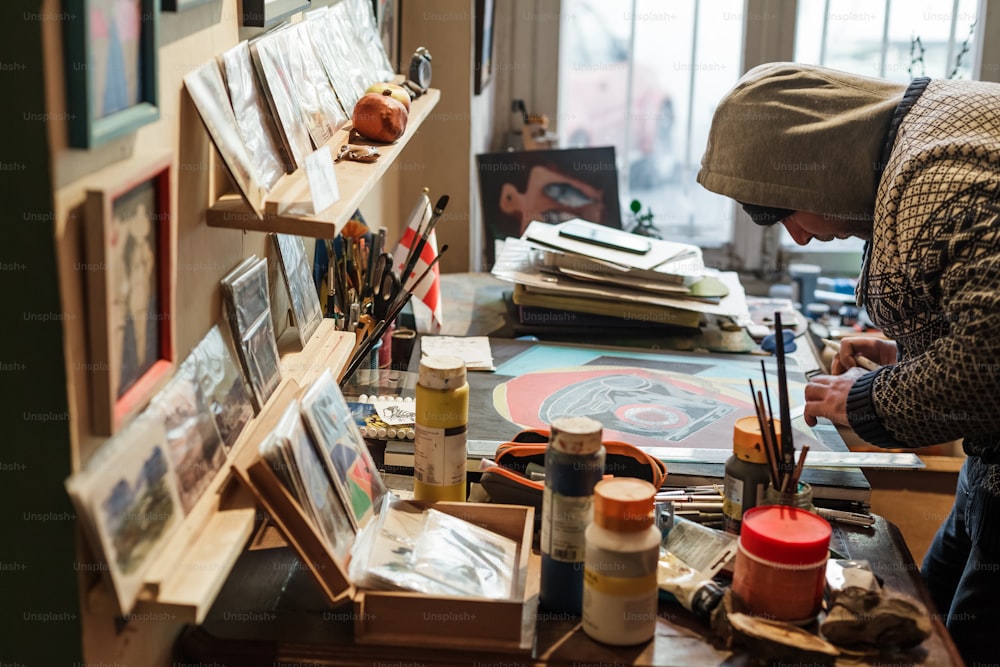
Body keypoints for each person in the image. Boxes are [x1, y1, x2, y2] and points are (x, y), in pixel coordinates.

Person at [697, 61, 1000, 665]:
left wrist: (860, 400)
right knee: (925, 627)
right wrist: (906, 358)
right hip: (987, 466)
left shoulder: (934, 181)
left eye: (786, 213)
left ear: (819, 163)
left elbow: (988, 363)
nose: (800, 239)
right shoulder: (929, 132)